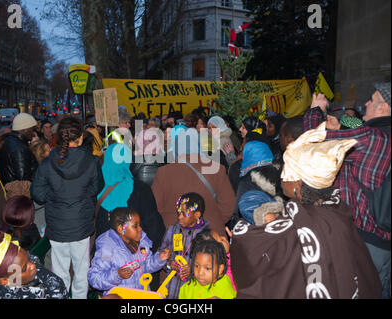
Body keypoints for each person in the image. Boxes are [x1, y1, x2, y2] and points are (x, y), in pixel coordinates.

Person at [229, 123, 381, 299]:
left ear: (298, 185)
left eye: (287, 169)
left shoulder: (297, 228)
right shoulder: (337, 209)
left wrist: (240, 238)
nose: (282, 175)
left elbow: (261, 268)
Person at [304, 85, 391, 298]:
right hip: (384, 243)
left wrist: (315, 110)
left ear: (384, 107)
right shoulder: (379, 136)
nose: (366, 104)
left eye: (372, 99)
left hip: (363, 242)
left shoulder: (372, 138)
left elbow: (311, 143)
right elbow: (357, 132)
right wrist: (339, 128)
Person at [30, 117, 104, 299]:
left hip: (57, 225)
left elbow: (37, 194)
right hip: (81, 224)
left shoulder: (48, 162)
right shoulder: (91, 161)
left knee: (60, 270)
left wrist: (55, 196)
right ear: (80, 137)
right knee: (81, 270)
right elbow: (97, 187)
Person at [152, 129, 235, 237]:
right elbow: (229, 205)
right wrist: (213, 220)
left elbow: (156, 207)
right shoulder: (217, 169)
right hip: (211, 234)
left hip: (177, 235)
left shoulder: (163, 172)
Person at [96, 142, 165, 253]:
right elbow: (153, 226)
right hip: (134, 253)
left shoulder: (97, 189)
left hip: (106, 253)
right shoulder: (141, 189)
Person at [88, 208, 170, 296]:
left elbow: (147, 266)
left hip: (141, 294)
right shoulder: (108, 249)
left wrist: (159, 259)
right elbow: (94, 278)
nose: (140, 228)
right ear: (120, 229)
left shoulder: (141, 242)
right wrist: (117, 275)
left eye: (139, 224)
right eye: (135, 226)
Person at [0, 231, 68, 299]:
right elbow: (59, 291)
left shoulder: (2, 278)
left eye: (28, 258)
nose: (33, 265)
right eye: (25, 268)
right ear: (5, 281)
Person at [159, 192, 210, 299]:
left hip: (192, 292)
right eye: (178, 212)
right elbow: (160, 254)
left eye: (184, 213)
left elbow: (211, 265)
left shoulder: (206, 236)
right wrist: (168, 264)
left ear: (197, 215)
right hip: (170, 290)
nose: (179, 217)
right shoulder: (172, 230)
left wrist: (193, 269)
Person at [0, 112, 39, 186]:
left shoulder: (10, 141)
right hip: (20, 192)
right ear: (25, 130)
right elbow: (23, 179)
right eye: (32, 129)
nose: (33, 133)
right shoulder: (20, 149)